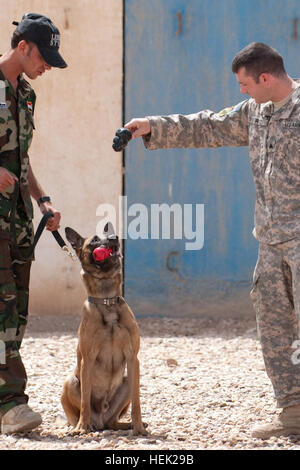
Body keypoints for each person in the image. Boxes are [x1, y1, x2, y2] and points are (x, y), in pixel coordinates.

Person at [125, 42, 300, 439]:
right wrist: (153, 125)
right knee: (275, 327)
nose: (241, 91)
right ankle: (293, 412)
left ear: (266, 78)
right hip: (271, 241)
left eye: (244, 84)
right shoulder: (256, 111)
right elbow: (210, 125)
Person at [0, 13, 67, 434]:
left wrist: (40, 199)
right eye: (45, 57)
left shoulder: (25, 94)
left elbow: (20, 160)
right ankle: (11, 404)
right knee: (3, 308)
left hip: (18, 219)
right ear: (23, 47)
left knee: (17, 312)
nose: (47, 67)